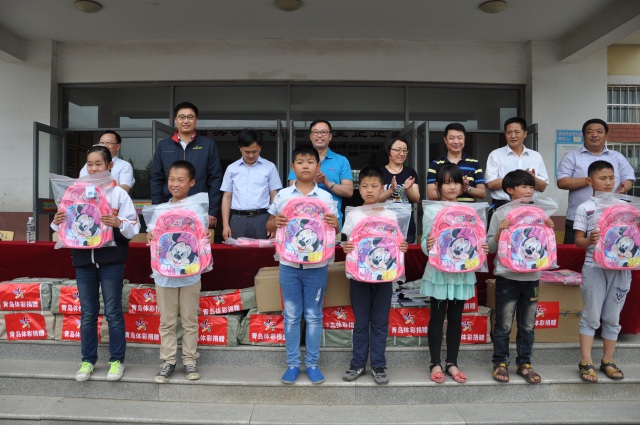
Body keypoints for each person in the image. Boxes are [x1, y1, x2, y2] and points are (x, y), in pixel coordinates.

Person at [51, 145, 140, 382]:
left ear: (110, 166)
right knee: (88, 314)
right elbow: (62, 228)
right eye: (89, 164)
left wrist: (118, 223)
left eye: (98, 164)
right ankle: (87, 361)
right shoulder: (74, 193)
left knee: (113, 313)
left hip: (111, 262)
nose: (93, 168)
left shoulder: (118, 194)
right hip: (83, 263)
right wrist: (57, 221)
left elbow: (134, 228)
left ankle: (116, 361)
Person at [267, 146, 340, 385]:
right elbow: (269, 224)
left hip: (317, 266)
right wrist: (274, 221)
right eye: (300, 161)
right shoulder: (283, 196)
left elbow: (337, 230)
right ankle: (292, 364)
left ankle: (312, 363)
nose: (306, 165)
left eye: (310, 161)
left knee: (313, 316)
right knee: (290, 316)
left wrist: (334, 223)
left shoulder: (327, 198)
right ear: (292, 167)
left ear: (318, 167)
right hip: (288, 264)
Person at [341, 166, 409, 385]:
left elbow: (397, 243)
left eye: (374, 186)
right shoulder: (353, 214)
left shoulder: (391, 214)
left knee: (380, 322)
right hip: (358, 276)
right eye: (364, 186)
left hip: (384, 276)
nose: (369, 190)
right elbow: (347, 242)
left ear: (382, 189)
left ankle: (378, 365)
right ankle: (357, 363)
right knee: (361, 322)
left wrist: (403, 247)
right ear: (358, 189)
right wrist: (345, 246)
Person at [421, 164, 488, 384]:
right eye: (446, 182)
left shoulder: (470, 212)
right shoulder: (431, 210)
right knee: (438, 317)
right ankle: (435, 363)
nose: (451, 187)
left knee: (457, 318)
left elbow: (477, 240)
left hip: (461, 272)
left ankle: (452, 362)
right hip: (439, 272)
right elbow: (424, 243)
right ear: (438, 187)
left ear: (462, 186)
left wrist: (482, 248)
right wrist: (427, 243)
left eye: (455, 182)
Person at [487, 169, 554, 384]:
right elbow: (488, 247)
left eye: (531, 187)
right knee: (504, 324)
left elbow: (546, 247)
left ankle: (524, 363)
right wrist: (498, 234)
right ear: (509, 190)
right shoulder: (500, 213)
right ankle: (500, 363)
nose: (528, 190)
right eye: (523, 186)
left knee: (528, 325)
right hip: (507, 276)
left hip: (532, 276)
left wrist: (549, 230)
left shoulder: (540, 214)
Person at [148, 160, 211, 384]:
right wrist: (150, 237)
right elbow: (152, 237)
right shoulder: (161, 210)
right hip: (164, 274)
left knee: (189, 319)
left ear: (191, 183)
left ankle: (190, 360)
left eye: (181, 180)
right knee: (166, 320)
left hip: (191, 273)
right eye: (172, 179)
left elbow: (203, 240)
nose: (175, 184)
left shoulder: (197, 210)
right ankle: (168, 361)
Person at [574, 160, 630, 383]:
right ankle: (586, 361)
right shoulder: (585, 208)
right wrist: (590, 239)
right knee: (591, 315)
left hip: (622, 268)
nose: (608, 183)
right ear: (590, 181)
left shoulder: (625, 206)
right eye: (602, 178)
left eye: (611, 178)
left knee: (612, 317)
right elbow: (578, 241)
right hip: (594, 267)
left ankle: (608, 360)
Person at [557, 118, 635, 244]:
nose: (594, 135)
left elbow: (628, 178)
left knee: (609, 252)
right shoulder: (571, 157)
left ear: (606, 136)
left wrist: (623, 187)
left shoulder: (617, 157)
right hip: (577, 216)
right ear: (584, 135)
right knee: (574, 256)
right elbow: (562, 182)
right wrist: (589, 181)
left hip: (611, 216)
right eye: (590, 132)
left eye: (599, 131)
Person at [151, 102, 222, 229]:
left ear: (196, 120)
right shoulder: (164, 146)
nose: (186, 121)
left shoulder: (208, 145)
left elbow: (215, 179)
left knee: (196, 244)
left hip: (199, 209)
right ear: (175, 120)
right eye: (182, 117)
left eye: (190, 117)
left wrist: (212, 211)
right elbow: (156, 178)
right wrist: (157, 207)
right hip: (170, 207)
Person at [221, 129, 283, 240]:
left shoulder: (269, 167)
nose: (250, 155)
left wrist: (272, 222)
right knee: (238, 256)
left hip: (263, 218)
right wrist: (225, 225)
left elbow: (274, 195)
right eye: (247, 151)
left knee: (263, 255)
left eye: (254, 151)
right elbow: (227, 197)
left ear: (260, 148)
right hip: (238, 219)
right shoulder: (232, 168)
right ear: (240, 148)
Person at [288, 120, 353, 224]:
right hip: (301, 220)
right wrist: (313, 181)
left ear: (330, 136)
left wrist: (328, 184)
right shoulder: (300, 159)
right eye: (316, 132)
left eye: (323, 132)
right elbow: (292, 185)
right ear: (310, 136)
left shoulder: (341, 160)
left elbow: (349, 191)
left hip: (331, 220)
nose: (320, 135)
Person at [485, 117, 549, 219]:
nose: (513, 136)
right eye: (509, 132)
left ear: (525, 133)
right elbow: (491, 184)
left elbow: (542, 187)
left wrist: (531, 178)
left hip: (529, 209)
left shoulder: (535, 156)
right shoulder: (496, 155)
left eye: (517, 132)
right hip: (502, 208)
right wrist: (519, 179)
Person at [427, 123, 486, 202]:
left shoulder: (474, 163)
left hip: (468, 212)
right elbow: (431, 194)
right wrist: (459, 188)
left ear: (464, 139)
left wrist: (467, 188)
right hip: (444, 212)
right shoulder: (435, 164)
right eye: (452, 138)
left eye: (459, 138)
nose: (456, 141)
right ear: (445, 140)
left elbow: (482, 193)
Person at [378, 134, 420, 243]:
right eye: (398, 150)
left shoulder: (410, 172)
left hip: (407, 226)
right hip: (383, 225)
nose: (402, 154)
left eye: (405, 150)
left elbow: (416, 198)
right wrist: (391, 190)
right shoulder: (379, 173)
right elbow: (376, 199)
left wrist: (407, 188)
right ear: (388, 150)